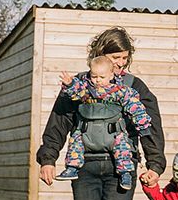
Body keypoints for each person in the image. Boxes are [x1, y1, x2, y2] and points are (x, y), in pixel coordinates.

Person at [37, 27, 166, 200]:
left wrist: (155, 164)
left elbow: (150, 127)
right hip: (85, 166)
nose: (120, 63)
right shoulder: (79, 86)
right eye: (114, 57)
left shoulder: (134, 87)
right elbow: (59, 122)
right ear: (99, 55)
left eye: (124, 57)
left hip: (121, 167)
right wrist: (48, 157)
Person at [55, 54, 153, 190]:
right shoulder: (86, 89)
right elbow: (75, 91)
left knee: (123, 146)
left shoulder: (120, 91)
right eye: (94, 77)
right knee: (75, 141)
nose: (97, 81)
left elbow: (136, 107)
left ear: (111, 75)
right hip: (87, 132)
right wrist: (70, 84)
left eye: (102, 77)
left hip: (112, 133)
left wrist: (143, 126)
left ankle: (125, 173)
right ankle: (72, 168)